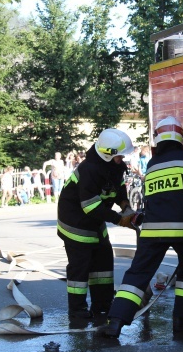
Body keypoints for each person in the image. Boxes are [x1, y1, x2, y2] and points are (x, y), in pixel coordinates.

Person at [98, 116, 183, 338]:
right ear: (180, 137)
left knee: (138, 274)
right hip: (182, 231)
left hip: (152, 230)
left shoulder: (152, 165)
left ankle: (116, 322)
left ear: (158, 139)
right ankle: (181, 322)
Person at [57, 128, 137, 322]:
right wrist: (119, 219)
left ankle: (103, 304)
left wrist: (124, 202)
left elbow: (117, 187)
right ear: (108, 154)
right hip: (75, 222)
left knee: (103, 262)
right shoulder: (89, 169)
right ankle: (77, 310)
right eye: (120, 156)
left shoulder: (112, 166)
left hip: (95, 222)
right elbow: (90, 206)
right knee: (80, 267)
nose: (123, 160)